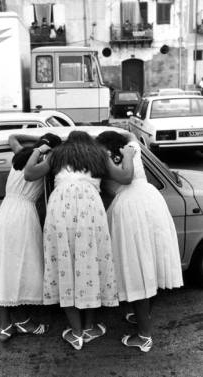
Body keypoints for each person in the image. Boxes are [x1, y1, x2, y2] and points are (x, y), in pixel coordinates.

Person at [24, 130, 135, 350]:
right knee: (90, 263)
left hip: (60, 208)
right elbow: (126, 177)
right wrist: (129, 156)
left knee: (64, 264)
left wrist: (38, 150)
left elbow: (28, 174)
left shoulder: (57, 154)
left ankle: (75, 333)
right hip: (90, 208)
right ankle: (90, 327)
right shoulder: (99, 153)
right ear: (89, 141)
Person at [96, 130, 183, 353]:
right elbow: (132, 134)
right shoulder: (133, 147)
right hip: (150, 202)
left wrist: (111, 155)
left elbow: (124, 177)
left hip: (133, 208)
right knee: (147, 265)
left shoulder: (118, 156)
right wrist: (126, 141)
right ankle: (141, 316)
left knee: (137, 269)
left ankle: (144, 336)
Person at [0, 132, 61, 343]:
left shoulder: (21, 154)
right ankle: (22, 321)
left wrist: (37, 140)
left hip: (5, 211)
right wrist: (45, 148)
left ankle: (6, 324)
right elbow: (33, 175)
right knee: (22, 267)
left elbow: (12, 137)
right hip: (23, 216)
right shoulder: (45, 160)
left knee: (5, 267)